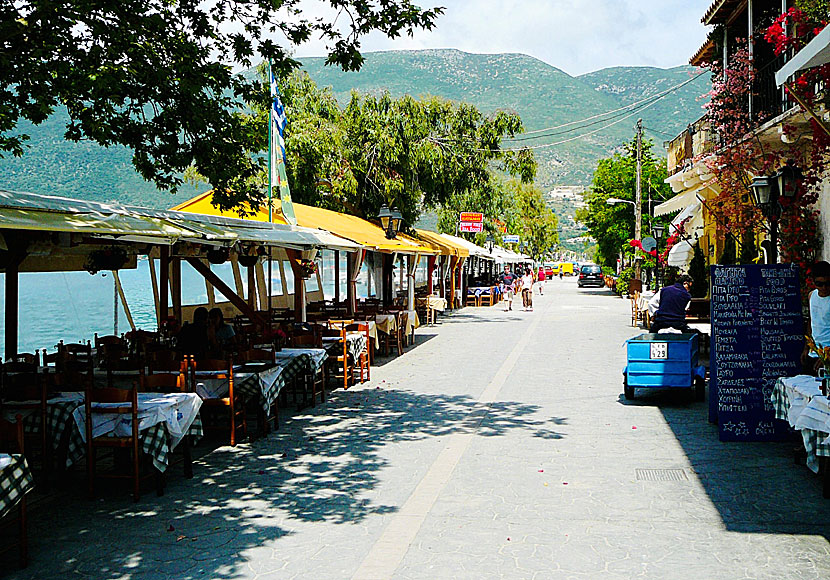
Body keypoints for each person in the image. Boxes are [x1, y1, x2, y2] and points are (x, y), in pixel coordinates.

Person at [802, 261, 830, 375]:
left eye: (828, 283)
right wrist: (807, 346)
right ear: (813, 282)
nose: (824, 287)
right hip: (814, 353)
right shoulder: (811, 296)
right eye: (819, 284)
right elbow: (811, 321)